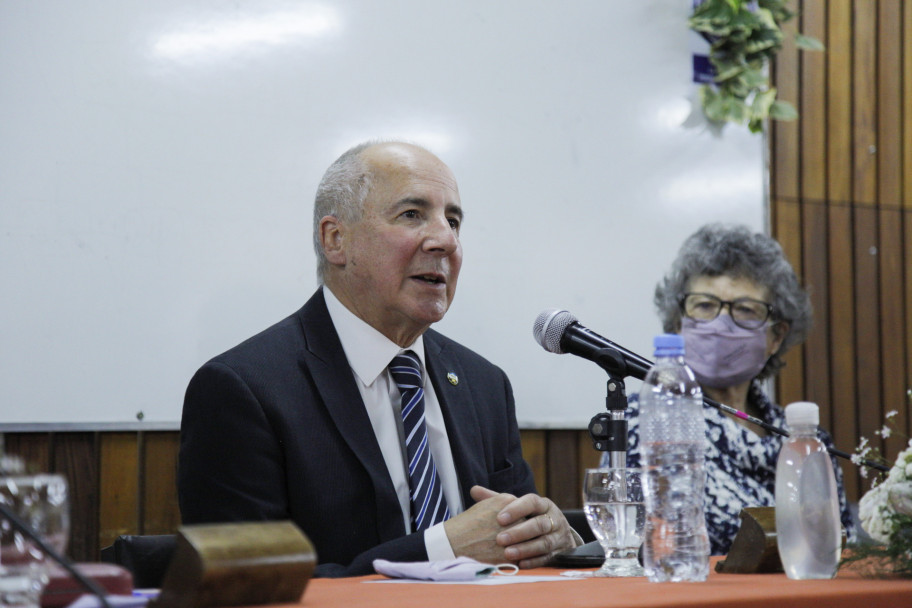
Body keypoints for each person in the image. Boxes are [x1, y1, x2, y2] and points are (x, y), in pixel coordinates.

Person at [178, 140, 578, 577]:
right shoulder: (243, 389)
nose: (445, 239)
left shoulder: (485, 385)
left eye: (454, 220)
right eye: (412, 214)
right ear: (336, 240)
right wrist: (438, 550)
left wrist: (551, 538)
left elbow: (517, 548)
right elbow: (245, 585)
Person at [602, 223, 854, 555]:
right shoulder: (646, 419)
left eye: (744, 310)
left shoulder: (804, 439)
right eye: (705, 305)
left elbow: (841, 544)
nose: (721, 324)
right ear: (678, 323)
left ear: (775, 337)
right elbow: (658, 543)